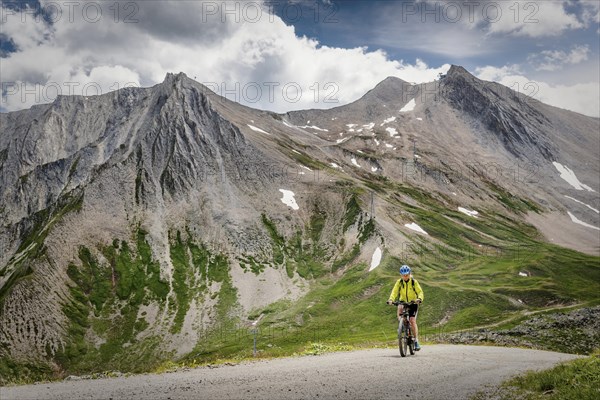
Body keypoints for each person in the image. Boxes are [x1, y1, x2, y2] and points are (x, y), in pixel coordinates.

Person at [387, 264, 424, 350]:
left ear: (409, 274)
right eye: (403, 275)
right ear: (401, 275)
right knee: (399, 308)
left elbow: (420, 291)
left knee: (412, 320)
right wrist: (391, 299)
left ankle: (416, 341)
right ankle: (402, 326)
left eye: (407, 275)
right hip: (403, 301)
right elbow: (394, 292)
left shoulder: (414, 282)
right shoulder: (399, 282)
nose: (405, 277)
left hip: (413, 302)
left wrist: (419, 298)